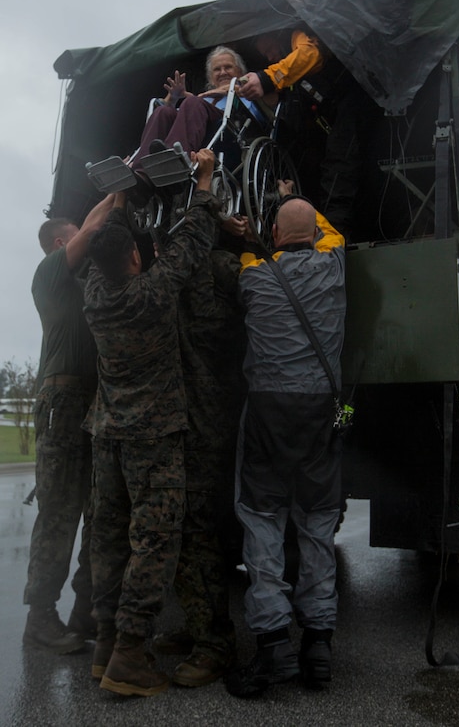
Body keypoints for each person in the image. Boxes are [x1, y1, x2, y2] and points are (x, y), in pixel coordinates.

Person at [82, 149, 221, 697]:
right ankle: (130, 657)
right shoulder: (152, 295)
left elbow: (105, 249)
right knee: (153, 543)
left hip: (106, 439)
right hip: (153, 441)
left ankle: (103, 645)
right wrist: (204, 182)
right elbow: (189, 244)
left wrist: (119, 197)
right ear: (135, 261)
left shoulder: (95, 297)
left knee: (109, 541)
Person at [225, 181, 346, 698]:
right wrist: (295, 196)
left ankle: (273, 644)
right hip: (322, 412)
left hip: (269, 415)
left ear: (274, 234)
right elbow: (329, 231)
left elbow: (251, 250)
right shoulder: (334, 266)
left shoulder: (253, 276)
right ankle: (317, 646)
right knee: (317, 525)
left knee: (262, 522)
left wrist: (260, 217)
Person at [23, 193, 117, 654]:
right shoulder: (52, 272)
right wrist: (117, 191)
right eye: (76, 234)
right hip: (62, 401)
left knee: (97, 513)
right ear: (62, 241)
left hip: (89, 402)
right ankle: (40, 619)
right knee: (60, 513)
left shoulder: (83, 283)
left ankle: (86, 613)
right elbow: (93, 230)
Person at [155, 242, 247, 688]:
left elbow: (214, 320)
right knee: (189, 528)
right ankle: (199, 628)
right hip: (188, 422)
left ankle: (216, 643)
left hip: (210, 425)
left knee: (199, 530)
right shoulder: (203, 273)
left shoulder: (222, 275)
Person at [237, 29, 378, 241]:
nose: (270, 56)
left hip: (353, 113)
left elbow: (311, 54)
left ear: (279, 37)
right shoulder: (290, 81)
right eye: (265, 55)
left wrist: (266, 78)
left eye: (270, 49)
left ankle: (335, 245)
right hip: (322, 140)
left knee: (339, 176)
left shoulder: (299, 36)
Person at [131, 46, 248, 169]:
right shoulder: (202, 100)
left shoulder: (248, 92)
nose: (223, 72)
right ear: (210, 78)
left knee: (193, 102)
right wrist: (172, 99)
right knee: (163, 111)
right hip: (198, 129)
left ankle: (175, 160)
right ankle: (140, 170)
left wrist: (235, 87)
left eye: (228, 67)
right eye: (217, 69)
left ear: (240, 72)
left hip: (231, 129)